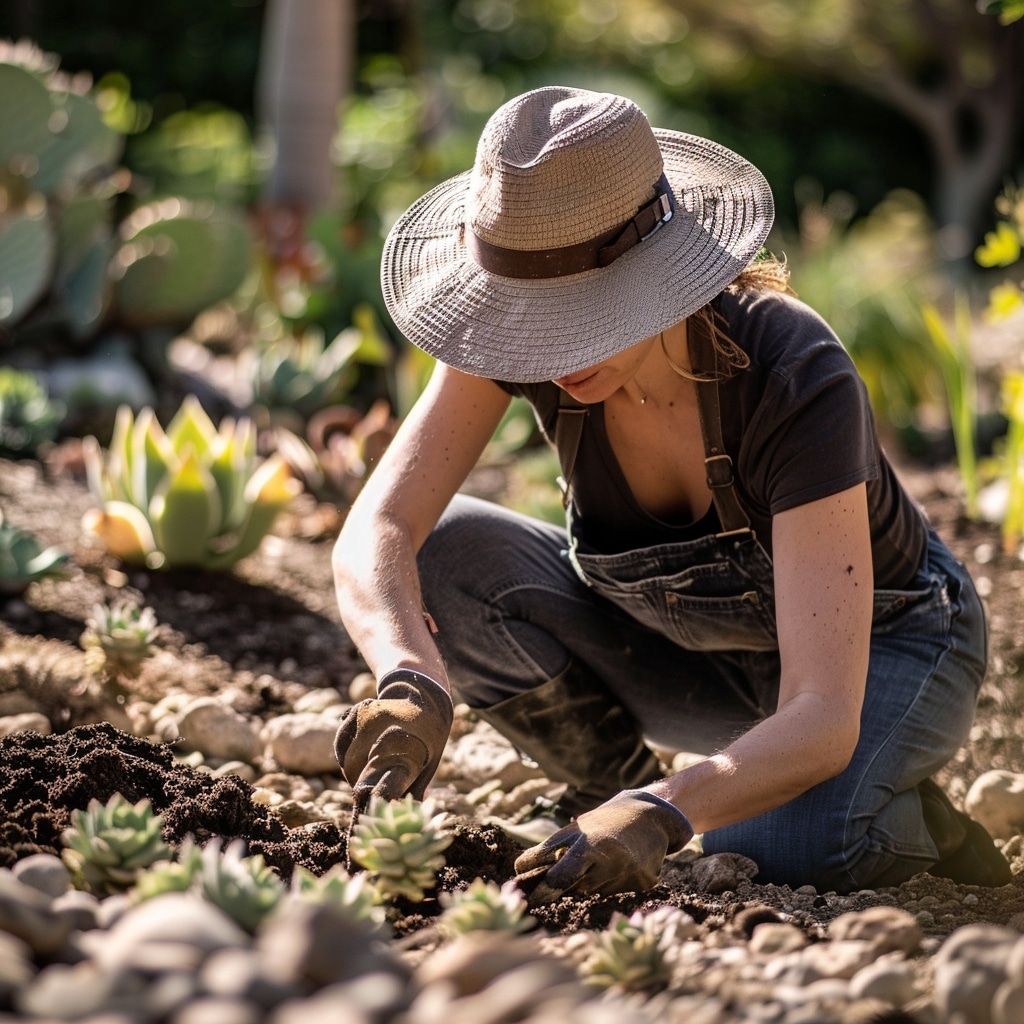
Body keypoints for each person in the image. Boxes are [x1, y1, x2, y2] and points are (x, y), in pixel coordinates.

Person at [332, 85, 1012, 900]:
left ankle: (914, 824)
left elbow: (825, 713)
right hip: (697, 662)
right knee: (451, 554)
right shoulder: (520, 338)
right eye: (533, 316)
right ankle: (601, 799)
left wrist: (666, 810)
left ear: (655, 274)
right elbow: (380, 527)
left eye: (579, 315)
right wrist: (409, 678)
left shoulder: (792, 373)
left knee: (787, 848)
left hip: (884, 650)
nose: (551, 351)